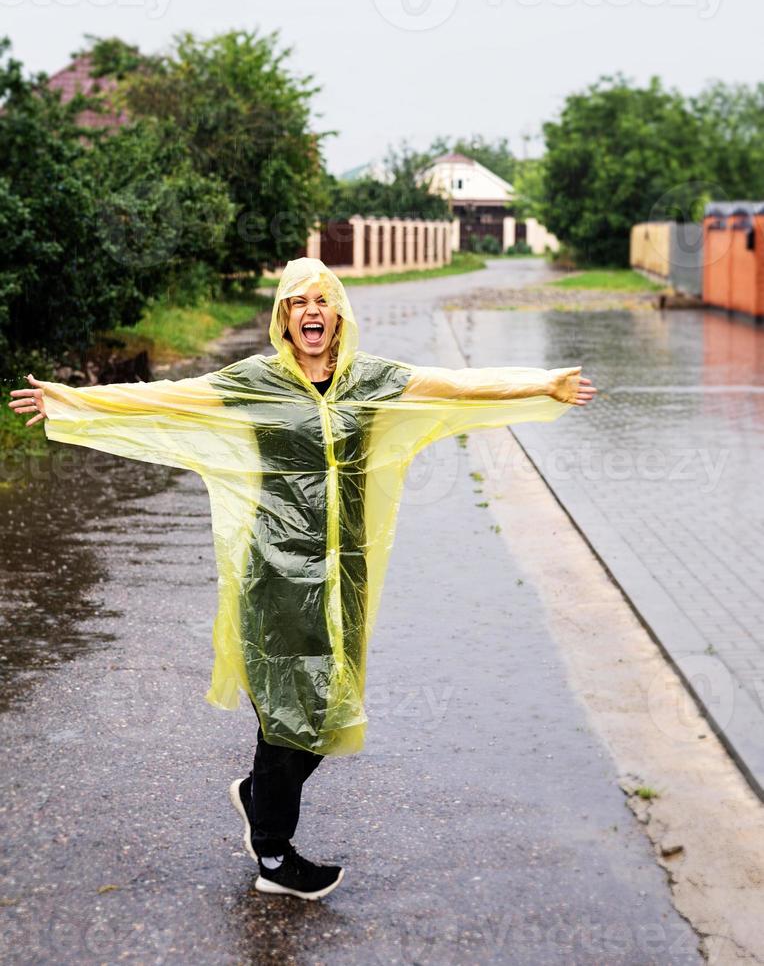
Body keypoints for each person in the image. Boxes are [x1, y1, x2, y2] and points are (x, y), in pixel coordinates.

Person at [8, 257, 597, 901]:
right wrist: (71, 402)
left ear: (339, 314)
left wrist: (542, 385)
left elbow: (452, 387)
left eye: (322, 301)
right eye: (298, 302)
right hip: (275, 570)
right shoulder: (256, 381)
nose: (311, 311)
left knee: (328, 702)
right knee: (285, 710)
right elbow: (166, 399)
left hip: (345, 569)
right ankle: (273, 856)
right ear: (283, 319)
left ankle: (261, 795)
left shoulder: (369, 379)